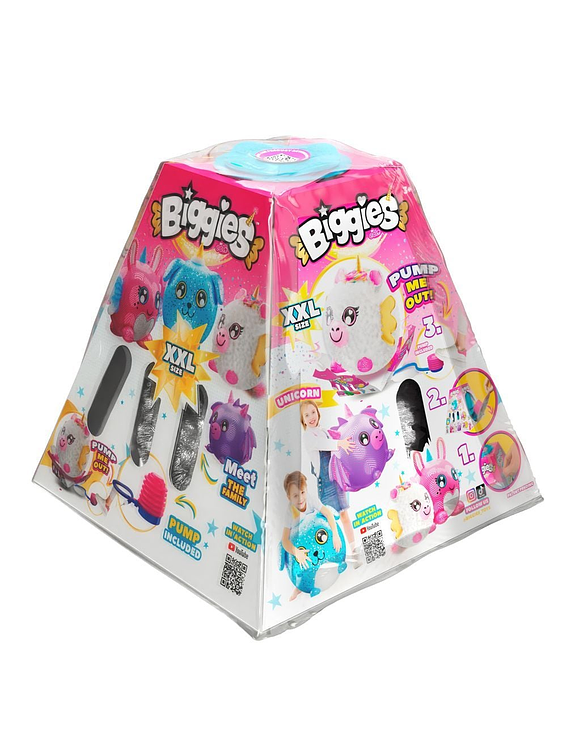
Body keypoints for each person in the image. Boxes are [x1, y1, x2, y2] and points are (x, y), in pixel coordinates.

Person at [301, 401, 361, 564]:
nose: (311, 417)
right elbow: (323, 445)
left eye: (313, 412)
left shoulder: (324, 432)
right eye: (306, 415)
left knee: (344, 515)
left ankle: (354, 551)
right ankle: (334, 558)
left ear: (318, 412)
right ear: (303, 420)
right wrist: (339, 443)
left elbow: (336, 446)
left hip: (336, 478)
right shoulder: (308, 436)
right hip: (325, 484)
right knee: (329, 522)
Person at [281, 471, 343, 602]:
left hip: (316, 534)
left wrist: (335, 534)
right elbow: (284, 540)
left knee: (324, 546)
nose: (300, 499)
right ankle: (300, 587)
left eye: (302, 492)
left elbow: (328, 513)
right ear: (288, 497)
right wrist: (296, 552)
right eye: (295, 496)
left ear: (306, 490)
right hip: (302, 541)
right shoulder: (289, 512)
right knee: (304, 561)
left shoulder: (311, 498)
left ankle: (338, 563)